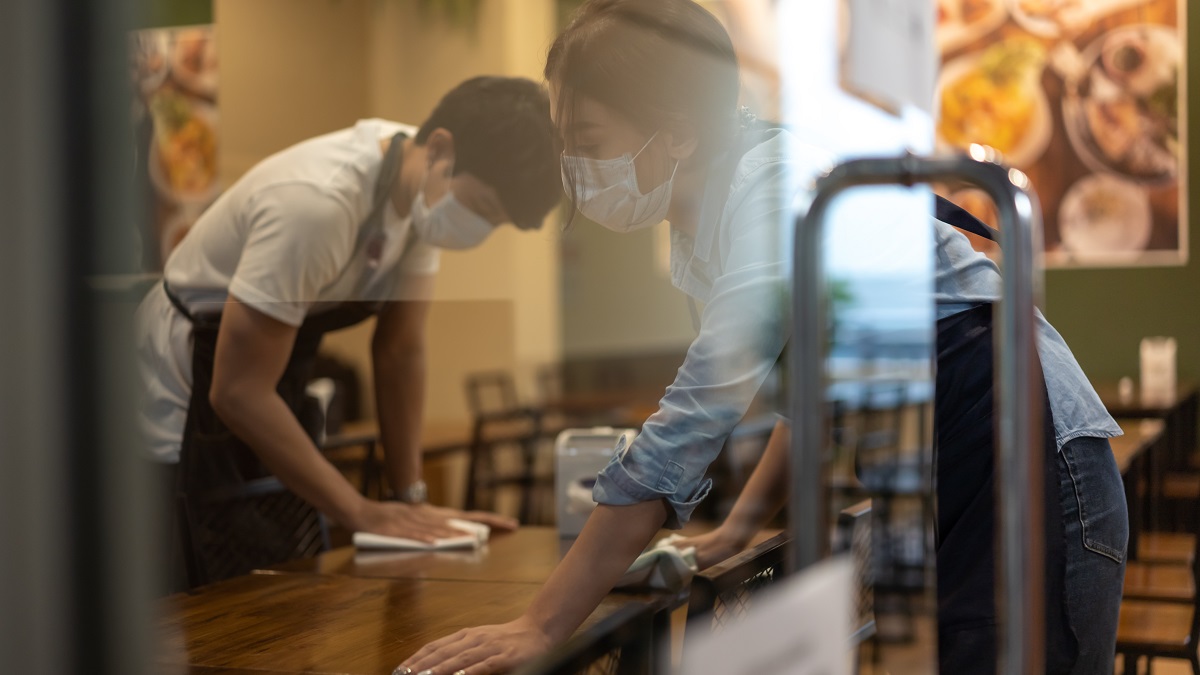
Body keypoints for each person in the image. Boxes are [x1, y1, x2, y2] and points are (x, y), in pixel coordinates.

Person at [397, 2, 1126, 674]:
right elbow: (798, 395)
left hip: (1023, 455)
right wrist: (737, 526)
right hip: (953, 463)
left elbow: (683, 430)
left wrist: (542, 623)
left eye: (587, 140)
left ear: (677, 128)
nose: (576, 169)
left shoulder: (772, 192)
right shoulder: (699, 231)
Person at [136, 76, 562, 582]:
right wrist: (361, 511)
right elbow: (237, 390)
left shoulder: (421, 194)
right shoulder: (318, 204)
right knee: (193, 586)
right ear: (442, 149)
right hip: (182, 391)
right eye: (483, 210)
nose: (479, 230)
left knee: (271, 576)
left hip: (266, 380)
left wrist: (409, 501)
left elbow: (400, 350)